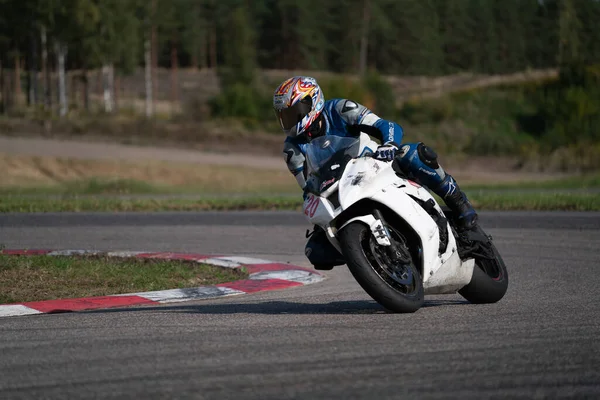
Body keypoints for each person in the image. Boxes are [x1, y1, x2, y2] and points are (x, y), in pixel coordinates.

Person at [273, 76, 477, 270]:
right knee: (315, 250)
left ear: (313, 101)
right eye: (284, 115)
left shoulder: (339, 109)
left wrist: (389, 144)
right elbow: (308, 188)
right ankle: (368, 255)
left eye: (294, 112)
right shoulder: (292, 149)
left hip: (375, 164)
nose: (289, 120)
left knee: (412, 154)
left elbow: (385, 125)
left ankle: (459, 202)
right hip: (342, 189)